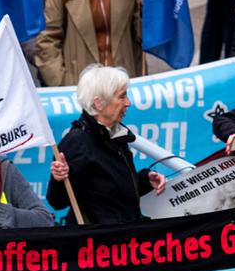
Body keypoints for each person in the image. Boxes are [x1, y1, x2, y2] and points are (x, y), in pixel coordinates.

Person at [47, 65, 166, 224]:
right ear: (99, 104)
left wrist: (144, 181)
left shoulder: (114, 135)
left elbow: (109, 190)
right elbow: (57, 201)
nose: (128, 103)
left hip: (125, 238)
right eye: (122, 96)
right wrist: (59, 179)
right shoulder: (77, 142)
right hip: (100, 244)